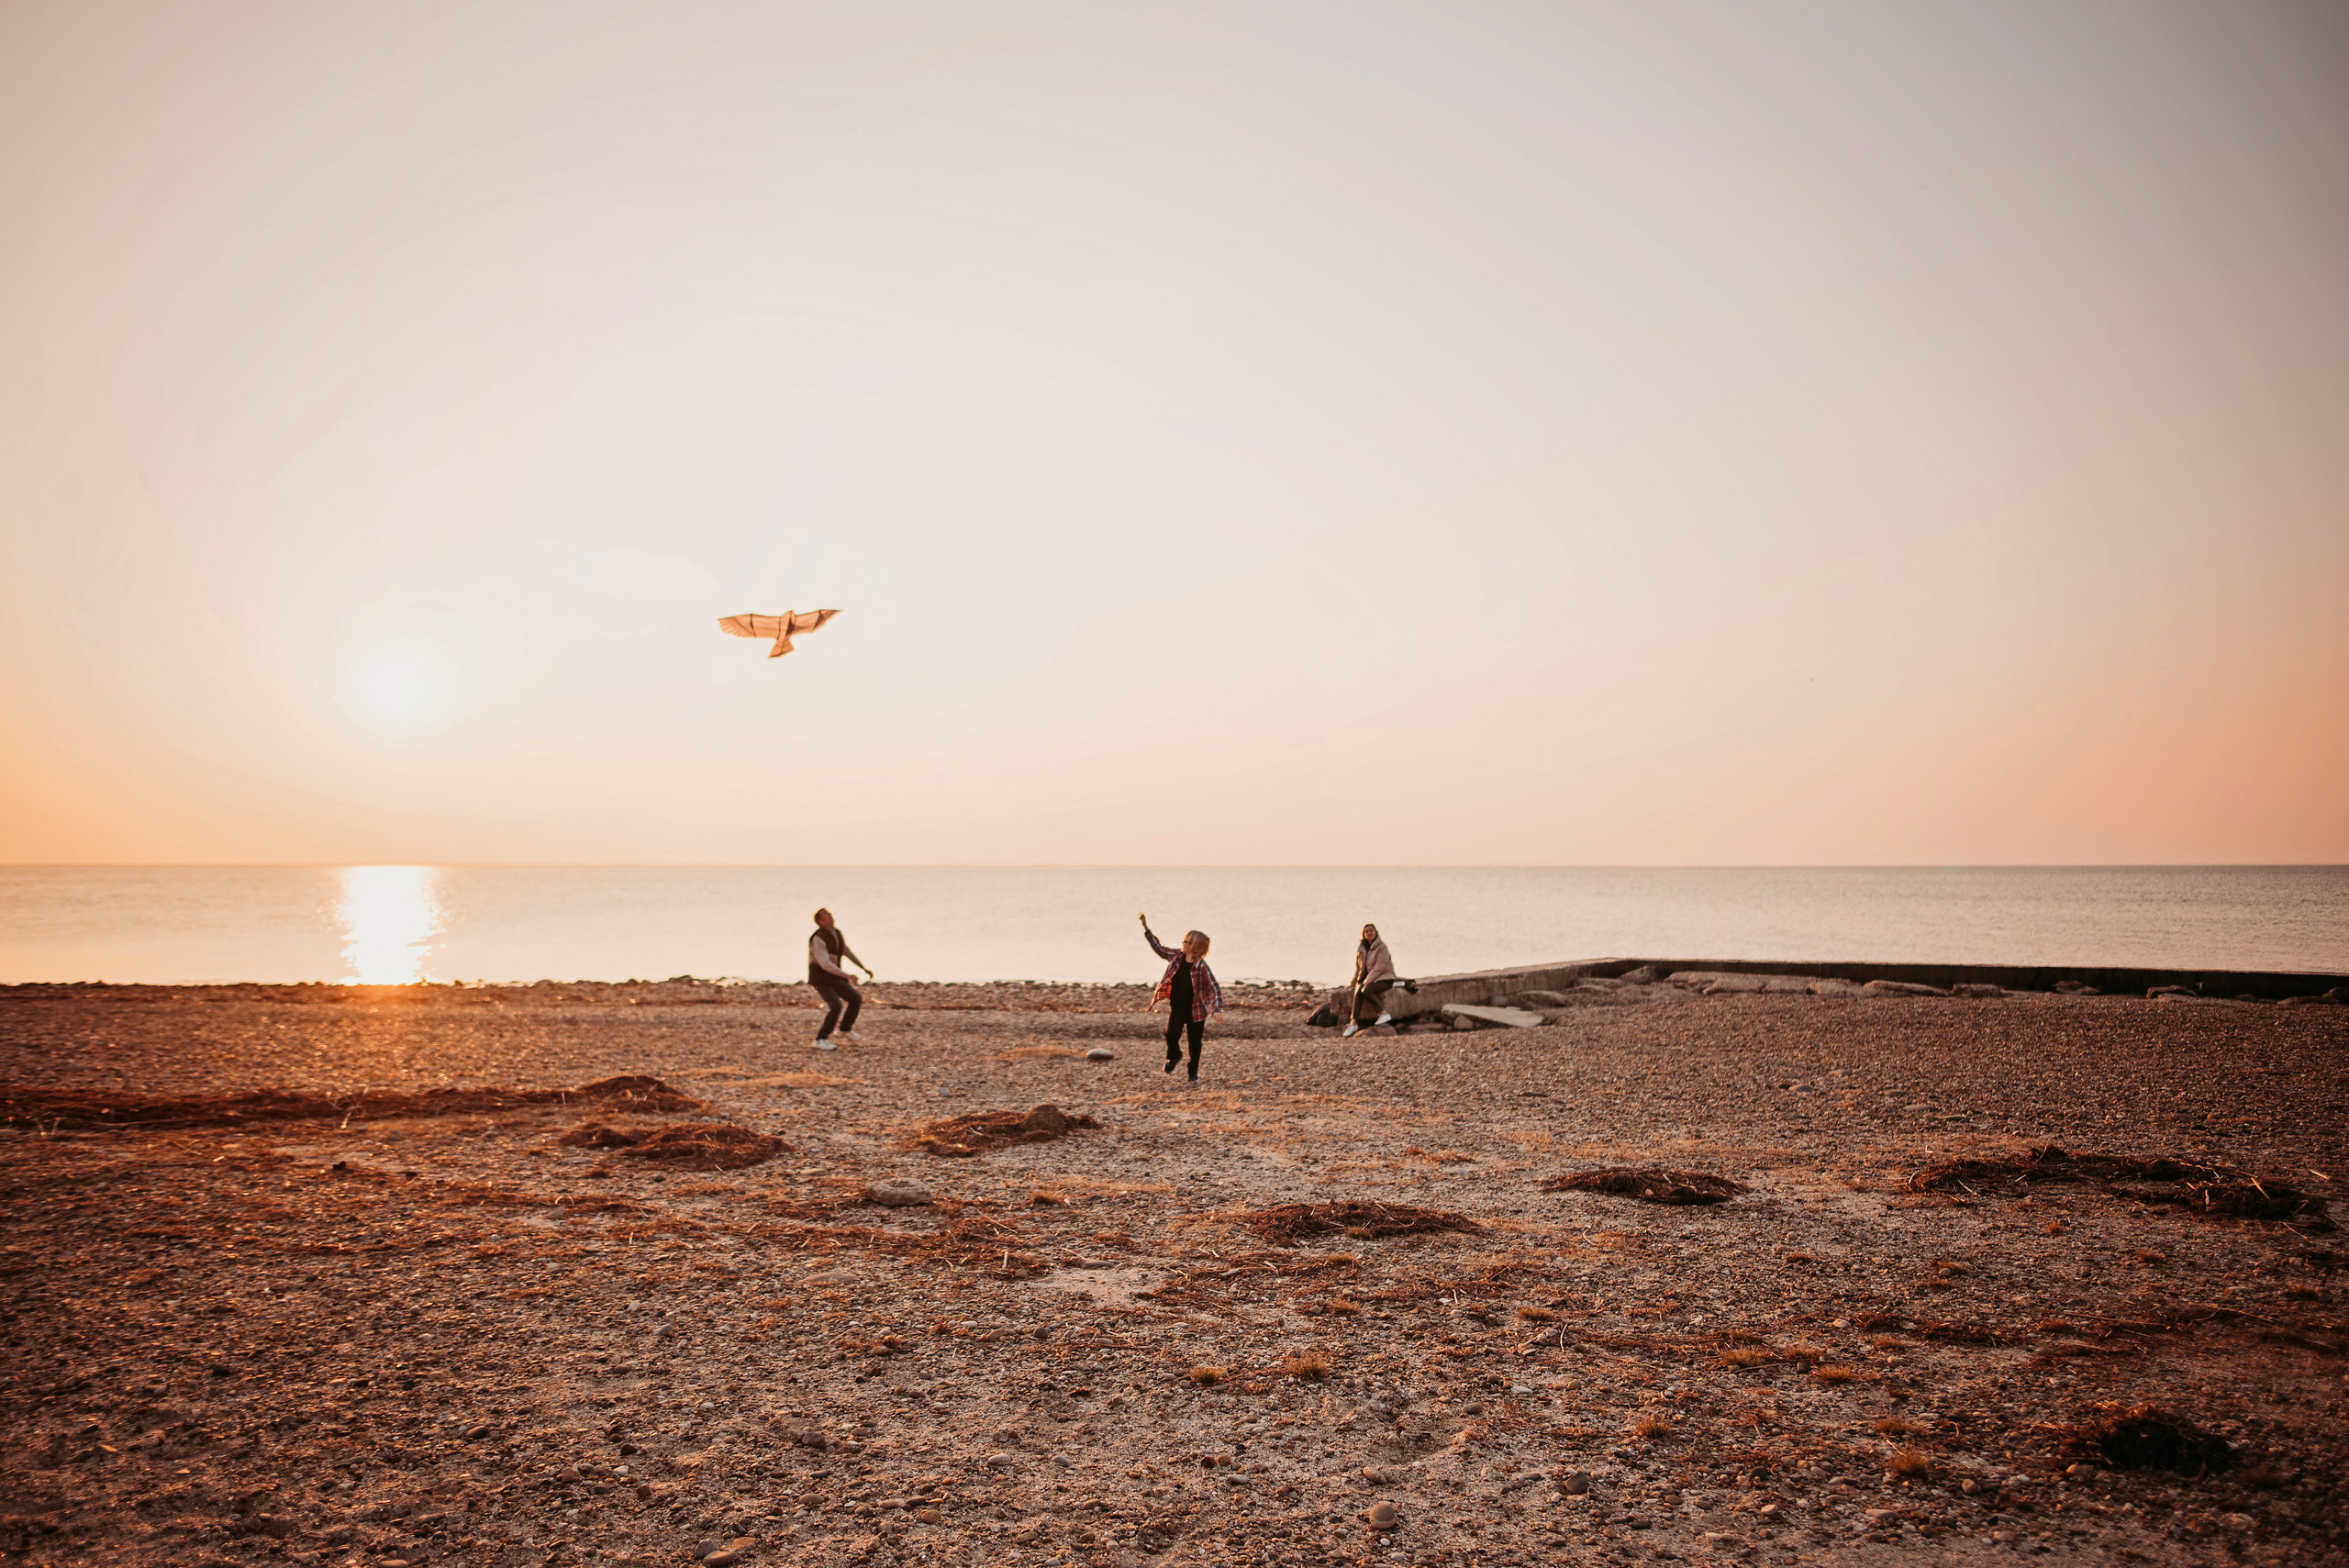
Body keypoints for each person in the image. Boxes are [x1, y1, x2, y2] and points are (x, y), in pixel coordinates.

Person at [1139, 912, 1221, 1087]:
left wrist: (1216, 1009)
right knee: (1171, 1035)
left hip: (1196, 1011)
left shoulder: (1201, 966)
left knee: (1195, 1044)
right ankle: (1174, 1055)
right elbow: (1159, 948)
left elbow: (1214, 987)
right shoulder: (1176, 956)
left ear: (1194, 947)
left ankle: (1193, 1073)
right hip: (1177, 1007)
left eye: (1185, 941)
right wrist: (1146, 928)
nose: (1181, 943)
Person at [807, 907, 874, 1051]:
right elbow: (824, 964)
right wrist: (846, 975)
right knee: (836, 1005)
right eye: (827, 915)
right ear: (820, 921)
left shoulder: (836, 934)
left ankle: (844, 1030)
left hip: (833, 976)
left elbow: (846, 952)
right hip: (820, 978)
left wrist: (863, 968)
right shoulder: (817, 938)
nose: (831, 915)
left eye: (830, 914)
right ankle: (820, 1040)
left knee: (855, 998)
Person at [1343, 923, 1413, 1039]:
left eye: (1371, 931)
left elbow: (1379, 968)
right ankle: (1353, 1023)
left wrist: (1367, 981)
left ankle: (1383, 1013)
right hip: (1370, 980)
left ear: (1376, 932)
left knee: (1365, 989)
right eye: (1367, 931)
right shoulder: (1361, 949)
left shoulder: (1381, 947)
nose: (1369, 933)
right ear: (1364, 934)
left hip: (1384, 979)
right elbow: (1359, 969)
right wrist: (1353, 983)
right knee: (1358, 990)